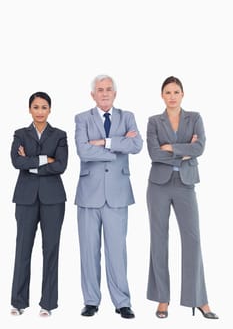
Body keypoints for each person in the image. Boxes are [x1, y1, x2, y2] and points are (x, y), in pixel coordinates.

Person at [146, 76, 218, 319]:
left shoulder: (195, 118)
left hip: (186, 184)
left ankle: (198, 300)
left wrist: (172, 147)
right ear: (162, 95)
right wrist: (184, 150)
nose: (172, 96)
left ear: (183, 94)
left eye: (176, 91)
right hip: (159, 185)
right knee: (159, 240)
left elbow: (200, 148)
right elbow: (154, 154)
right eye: (168, 92)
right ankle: (162, 299)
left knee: (193, 239)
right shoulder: (154, 121)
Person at [74, 74, 143, 319]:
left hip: (118, 193)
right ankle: (91, 301)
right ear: (93, 94)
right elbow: (83, 151)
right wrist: (117, 146)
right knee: (88, 251)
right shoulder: (82, 118)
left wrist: (103, 142)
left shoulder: (128, 117)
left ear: (115, 93)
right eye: (100, 90)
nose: (104, 93)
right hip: (88, 195)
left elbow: (137, 146)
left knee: (117, 251)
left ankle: (122, 302)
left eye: (109, 89)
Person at [10, 92, 68, 317]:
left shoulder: (60, 135)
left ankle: (48, 304)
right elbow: (16, 162)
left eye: (44, 107)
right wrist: (46, 159)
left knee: (51, 249)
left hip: (53, 199)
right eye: (36, 107)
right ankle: (18, 301)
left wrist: (31, 163)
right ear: (29, 109)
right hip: (25, 198)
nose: (40, 111)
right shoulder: (20, 134)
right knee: (23, 248)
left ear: (50, 110)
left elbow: (62, 165)